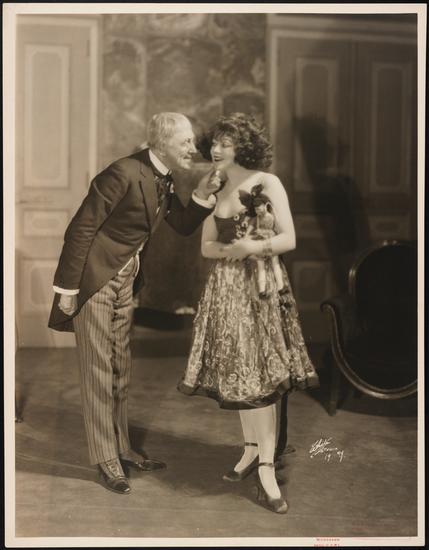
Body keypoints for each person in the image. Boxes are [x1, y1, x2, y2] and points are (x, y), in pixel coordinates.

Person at [48, 112, 221, 495]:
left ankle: (122, 447)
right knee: (98, 370)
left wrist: (203, 193)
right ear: (161, 143)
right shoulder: (122, 172)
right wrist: (67, 290)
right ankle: (105, 458)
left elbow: (181, 224)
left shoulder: (164, 175)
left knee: (120, 368)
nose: (193, 149)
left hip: (126, 280)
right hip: (94, 280)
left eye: (191, 142)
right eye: (185, 142)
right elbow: (81, 229)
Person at [178, 112, 319, 514]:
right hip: (225, 291)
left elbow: (289, 238)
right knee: (239, 373)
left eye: (226, 143)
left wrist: (252, 248)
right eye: (214, 142)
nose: (216, 149)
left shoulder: (267, 182)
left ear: (245, 147)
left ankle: (267, 469)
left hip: (261, 289)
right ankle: (251, 450)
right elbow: (206, 246)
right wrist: (230, 251)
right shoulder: (216, 184)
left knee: (260, 375)